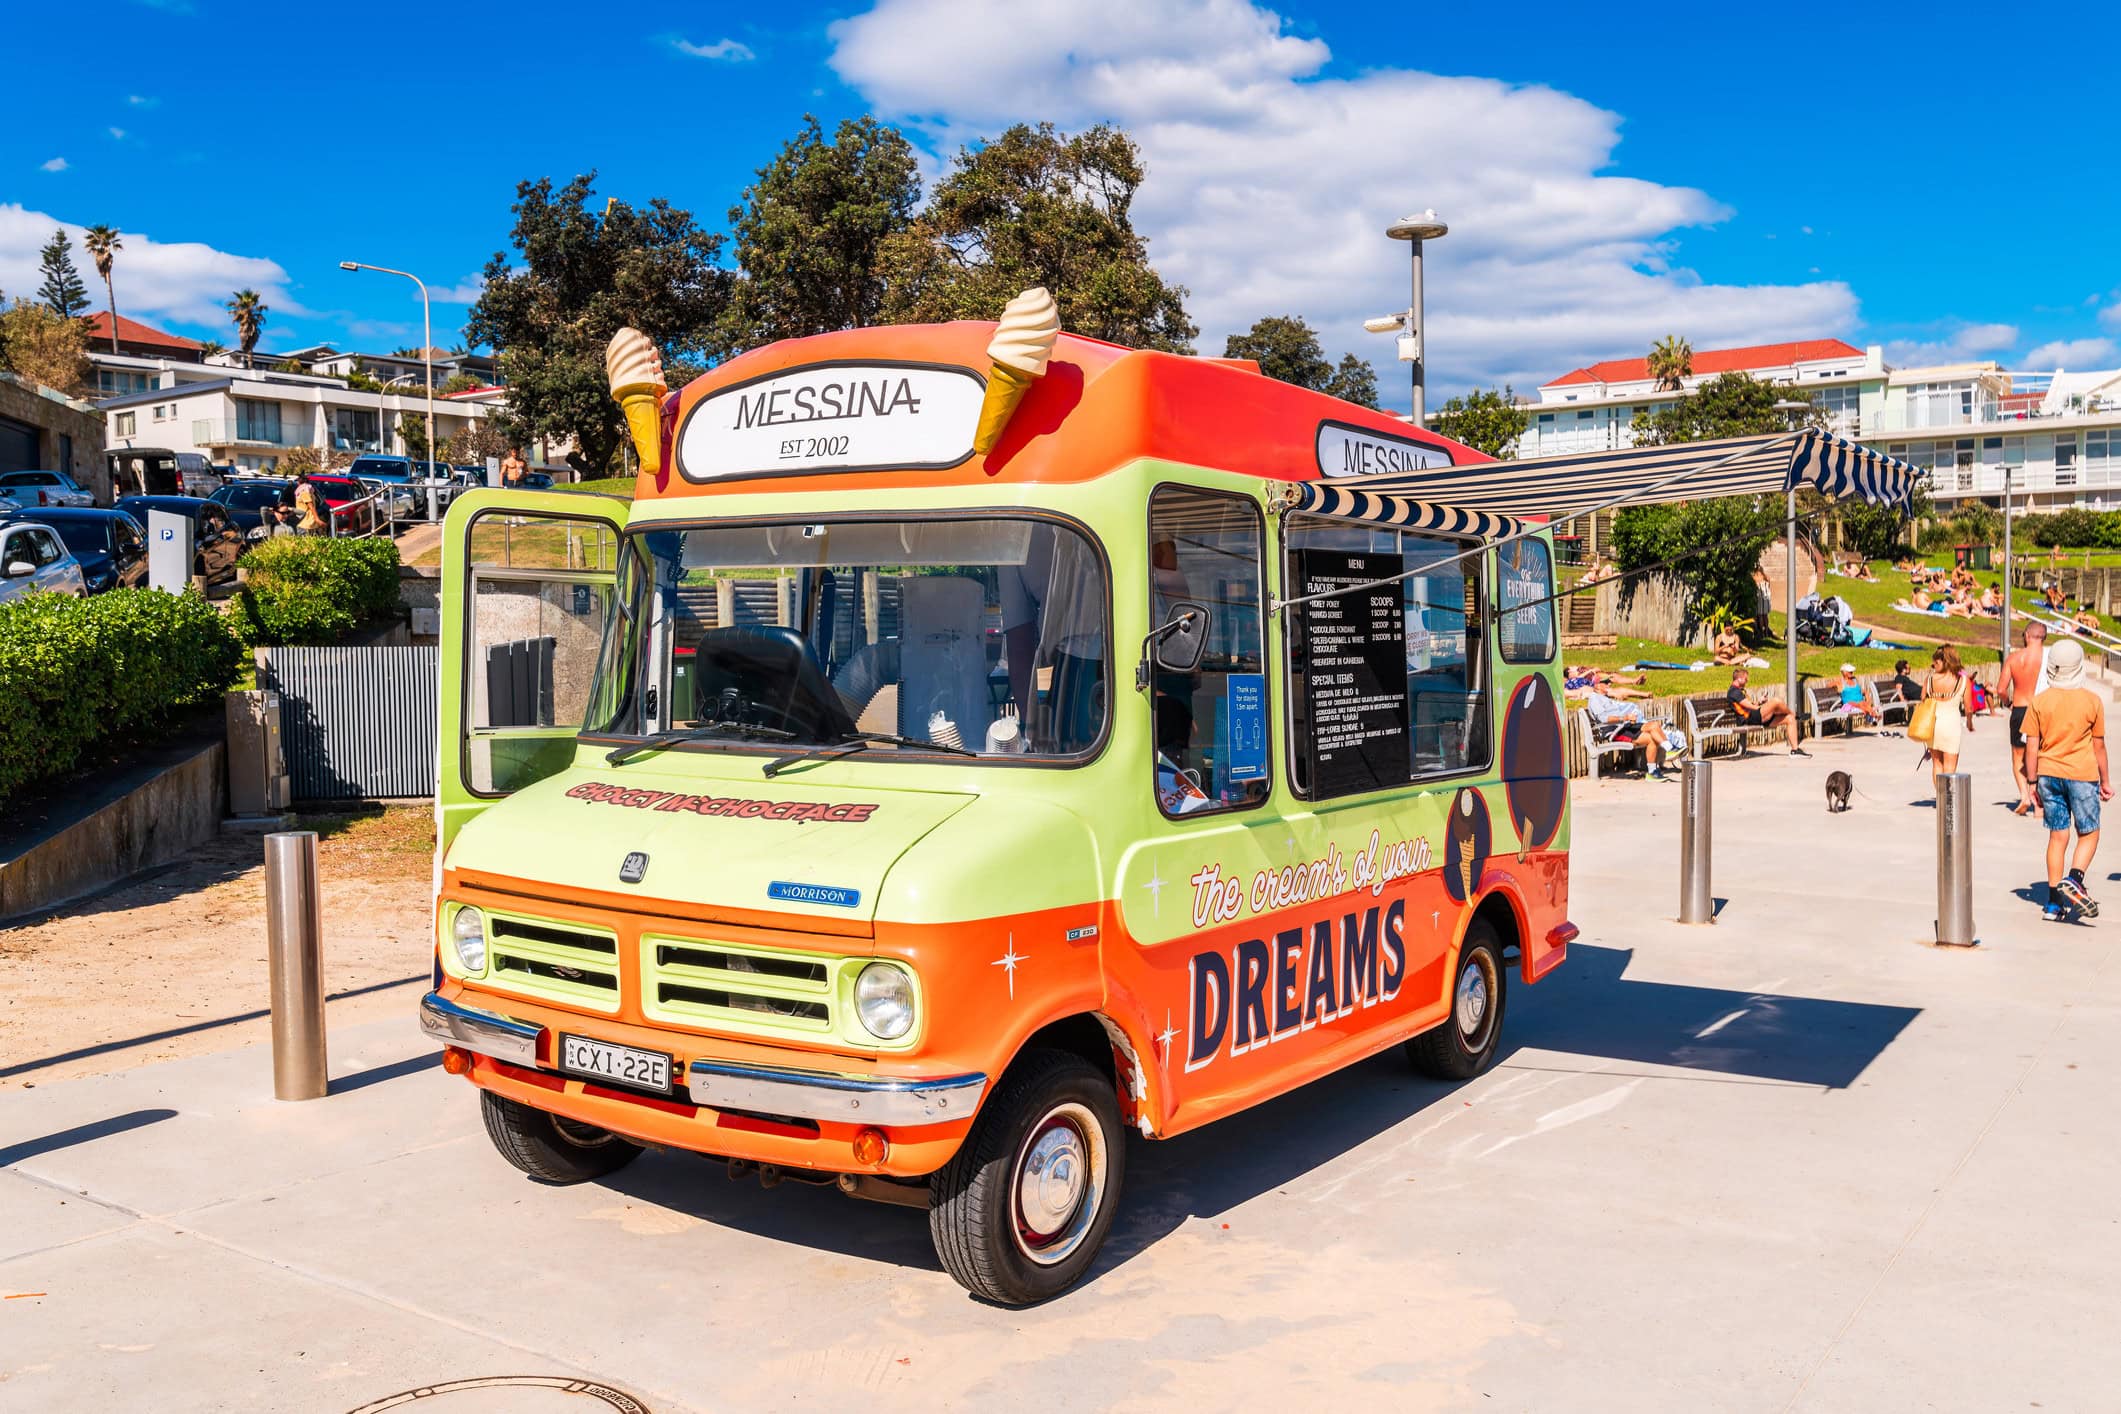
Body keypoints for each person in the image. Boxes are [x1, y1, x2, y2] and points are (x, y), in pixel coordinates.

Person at [2023, 636, 2110, 922]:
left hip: (2048, 774)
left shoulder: (2040, 702)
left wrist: (2032, 783)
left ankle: (2052, 904)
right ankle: (2075, 878)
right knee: (2089, 832)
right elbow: (2098, 746)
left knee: (2057, 836)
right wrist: (2106, 781)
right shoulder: (2092, 701)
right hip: (2082, 775)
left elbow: (2031, 746)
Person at [2000, 622, 2050, 815]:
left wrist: (2008, 703)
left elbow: (2001, 690)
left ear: (2027, 636)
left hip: (2020, 709)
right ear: (2043, 637)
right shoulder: (2049, 658)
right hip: (2044, 710)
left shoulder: (2014, 658)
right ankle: (2041, 804)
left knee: (2019, 757)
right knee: (2042, 755)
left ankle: (2025, 795)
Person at [1584, 691, 1681, 781]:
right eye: (1605, 682)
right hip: (1616, 731)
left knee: (1655, 726)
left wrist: (1630, 717)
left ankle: (1658, 765)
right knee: (1652, 737)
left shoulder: (1605, 697)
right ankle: (1665, 755)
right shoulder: (1594, 699)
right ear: (1596, 685)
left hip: (1625, 726)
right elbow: (1604, 718)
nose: (1608, 684)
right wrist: (1625, 717)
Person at [1725, 666, 1805, 755]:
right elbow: (1751, 707)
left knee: (1790, 718)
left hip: (1755, 717)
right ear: (1739, 679)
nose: (1747, 681)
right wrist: (1765, 708)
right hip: (1749, 719)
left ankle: (1795, 750)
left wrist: (1760, 702)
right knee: (1776, 701)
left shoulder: (1739, 691)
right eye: (1745, 679)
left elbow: (1750, 706)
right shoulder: (1734, 692)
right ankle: (1795, 715)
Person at [1922, 645, 1969, 781]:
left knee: (1937, 764)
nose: (1933, 665)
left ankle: (1940, 797)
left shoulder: (1929, 680)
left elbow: (1923, 700)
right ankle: (1948, 799)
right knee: (1950, 766)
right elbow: (1969, 707)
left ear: (1945, 662)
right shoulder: (1963, 680)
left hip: (1934, 725)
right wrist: (1970, 722)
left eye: (1936, 662)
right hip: (1951, 726)